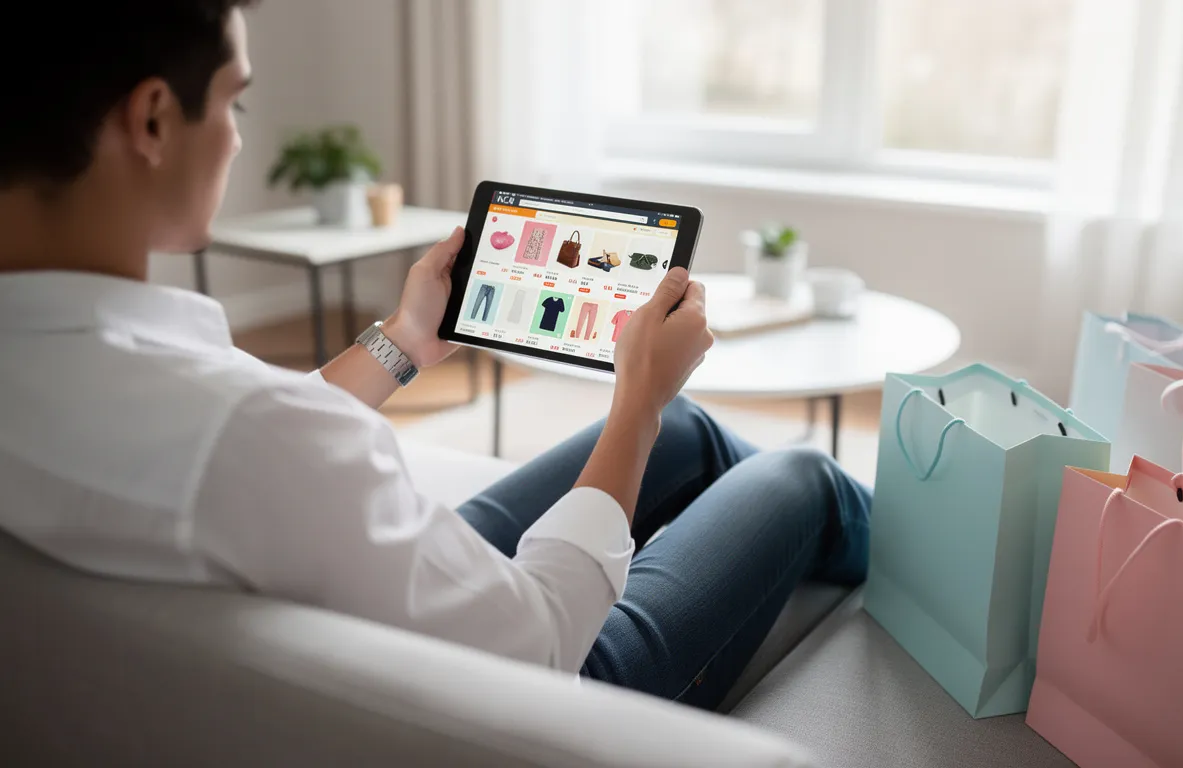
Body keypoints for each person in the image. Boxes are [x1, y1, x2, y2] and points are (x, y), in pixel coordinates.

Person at [0, 1, 871, 710]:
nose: (233, 135)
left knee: (689, 427)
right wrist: (634, 401)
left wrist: (405, 339)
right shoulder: (245, 435)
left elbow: (255, 447)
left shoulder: (102, 386)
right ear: (153, 117)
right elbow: (545, 638)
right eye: (235, 102)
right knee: (802, 477)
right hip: (546, 685)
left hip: (358, 606)